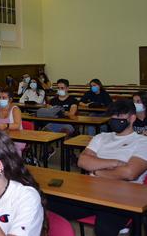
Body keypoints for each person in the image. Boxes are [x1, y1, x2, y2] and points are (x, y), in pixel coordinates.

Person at [49, 100, 147, 236]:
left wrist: (96, 171)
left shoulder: (142, 142)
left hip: (123, 199)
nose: (115, 120)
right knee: (45, 203)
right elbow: (83, 161)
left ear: (132, 118)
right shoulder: (101, 137)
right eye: (112, 117)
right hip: (91, 194)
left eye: (119, 117)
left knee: (104, 229)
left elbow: (130, 173)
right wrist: (115, 163)